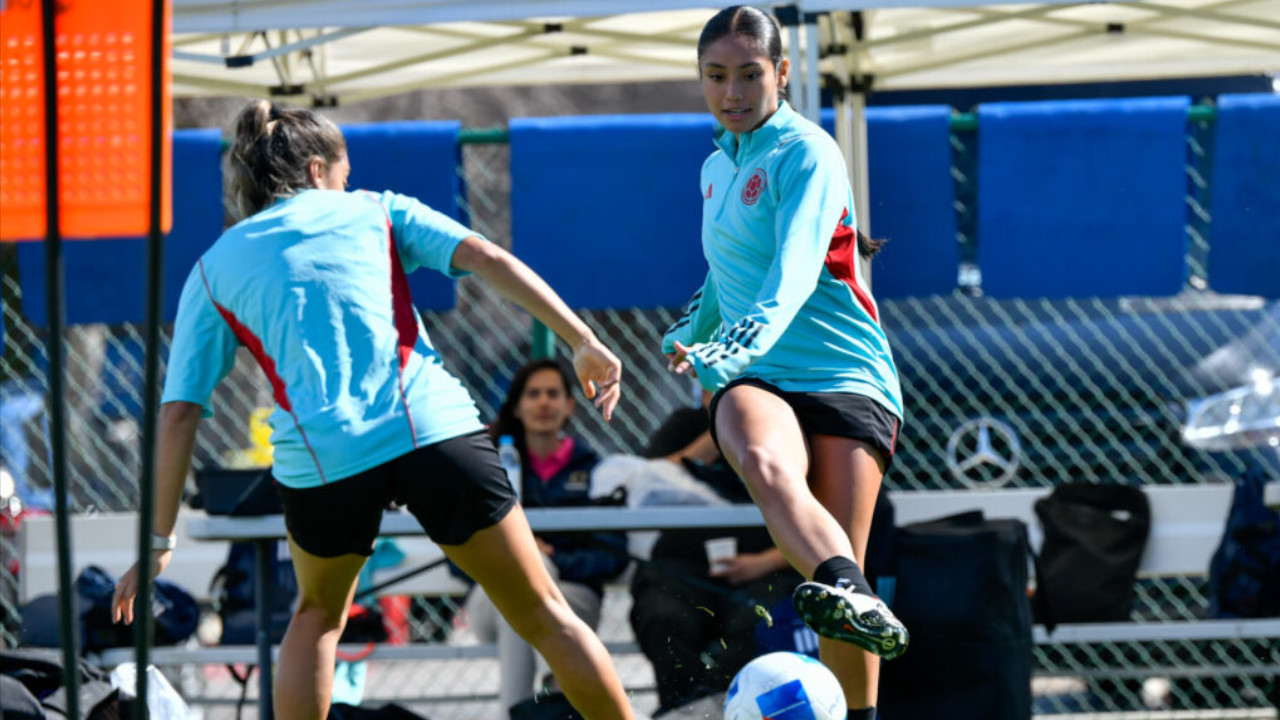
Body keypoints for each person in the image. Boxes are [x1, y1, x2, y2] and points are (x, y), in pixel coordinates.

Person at [110, 100, 634, 720]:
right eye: (342, 173)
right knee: (545, 611)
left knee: (317, 620)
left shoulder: (214, 267)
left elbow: (177, 415)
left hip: (324, 461)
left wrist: (158, 538)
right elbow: (489, 259)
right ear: (314, 169)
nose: (346, 186)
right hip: (430, 428)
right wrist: (582, 340)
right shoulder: (378, 210)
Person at [662, 7, 908, 718]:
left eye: (747, 75)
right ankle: (849, 589)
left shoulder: (809, 152)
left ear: (782, 73)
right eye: (715, 77)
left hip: (846, 375)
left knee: (841, 592)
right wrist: (690, 332)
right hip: (755, 373)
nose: (731, 92)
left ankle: (854, 658)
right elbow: (725, 276)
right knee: (768, 467)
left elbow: (795, 267)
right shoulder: (715, 167)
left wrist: (744, 334)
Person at [461, 359, 629, 698]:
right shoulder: (490, 467)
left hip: (573, 596)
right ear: (517, 407)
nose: (543, 402)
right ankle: (554, 703)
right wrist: (520, 553)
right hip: (490, 601)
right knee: (518, 586)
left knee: (525, 591)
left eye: (553, 394)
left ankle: (518, 709)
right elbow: (458, 551)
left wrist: (553, 558)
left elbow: (611, 555)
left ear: (569, 405)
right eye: (533, 394)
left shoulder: (594, 469)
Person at [629, 399, 802, 713]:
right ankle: (682, 709)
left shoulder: (784, 421)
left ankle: (731, 708)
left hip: (765, 565)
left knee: (758, 623)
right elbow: (650, 481)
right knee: (662, 615)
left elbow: (817, 516)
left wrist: (764, 562)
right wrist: (720, 430)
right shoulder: (686, 424)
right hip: (684, 565)